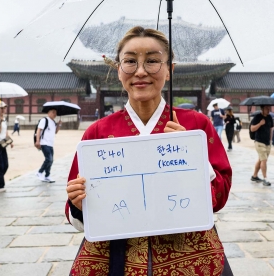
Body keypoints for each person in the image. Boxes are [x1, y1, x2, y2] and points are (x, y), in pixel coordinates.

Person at [65, 27, 233, 276]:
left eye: (153, 61)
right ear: (118, 69)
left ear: (170, 69)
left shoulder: (196, 125)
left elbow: (219, 198)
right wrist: (76, 201)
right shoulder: (98, 132)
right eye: (130, 61)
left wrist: (191, 155)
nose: (141, 71)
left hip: (188, 253)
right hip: (115, 256)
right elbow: (75, 211)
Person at [35, 108, 62, 183]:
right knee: (48, 159)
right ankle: (39, 172)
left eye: (55, 113)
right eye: (53, 112)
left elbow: (55, 132)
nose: (55, 114)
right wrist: (38, 141)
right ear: (49, 112)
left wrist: (59, 125)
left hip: (50, 144)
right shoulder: (44, 120)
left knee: (51, 160)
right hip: (44, 143)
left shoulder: (53, 122)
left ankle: (47, 175)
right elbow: (39, 130)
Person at [250, 105, 274, 186]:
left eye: (269, 108)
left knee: (261, 159)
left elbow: (271, 129)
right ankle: (265, 178)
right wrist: (260, 123)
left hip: (267, 142)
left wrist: (271, 140)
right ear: (262, 109)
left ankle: (254, 176)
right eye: (267, 108)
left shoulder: (270, 117)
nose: (268, 110)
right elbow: (252, 128)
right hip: (259, 142)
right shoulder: (257, 117)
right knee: (264, 160)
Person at [0, 101, 13, 191]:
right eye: (1, 108)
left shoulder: (4, 119)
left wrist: (10, 140)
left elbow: (5, 131)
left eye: (4, 108)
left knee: (5, 165)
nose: (3, 110)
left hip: (3, 144)